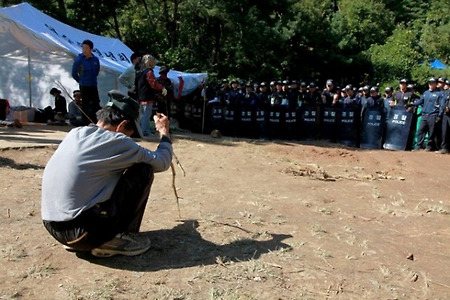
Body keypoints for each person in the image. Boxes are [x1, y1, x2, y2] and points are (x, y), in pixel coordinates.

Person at [41, 95, 173, 257]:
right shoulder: (119, 142)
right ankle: (115, 239)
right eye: (130, 133)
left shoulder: (75, 133)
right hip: (83, 234)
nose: (129, 138)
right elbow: (162, 162)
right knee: (143, 170)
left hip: (54, 228)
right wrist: (164, 133)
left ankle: (93, 239)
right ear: (123, 125)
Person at [136, 54, 167, 136]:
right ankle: (145, 131)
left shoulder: (140, 72)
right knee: (146, 115)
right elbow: (153, 84)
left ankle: (141, 130)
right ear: (150, 62)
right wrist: (162, 88)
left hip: (141, 96)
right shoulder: (149, 72)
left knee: (142, 115)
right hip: (147, 96)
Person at [72, 39, 101, 125]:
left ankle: (96, 122)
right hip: (84, 85)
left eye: (86, 48)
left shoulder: (95, 60)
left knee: (96, 104)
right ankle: (85, 123)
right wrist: (80, 81)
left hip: (93, 84)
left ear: (91, 49)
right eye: (83, 48)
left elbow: (97, 71)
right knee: (85, 105)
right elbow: (74, 73)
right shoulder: (79, 60)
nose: (84, 50)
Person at [412, 78, 445, 151]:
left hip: (433, 115)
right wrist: (412, 104)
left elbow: (442, 106)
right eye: (429, 83)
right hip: (424, 115)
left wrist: (439, 115)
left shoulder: (440, 93)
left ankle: (429, 147)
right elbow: (421, 101)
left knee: (431, 132)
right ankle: (418, 146)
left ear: (436, 84)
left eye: (432, 83)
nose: (430, 85)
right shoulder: (426, 93)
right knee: (420, 130)